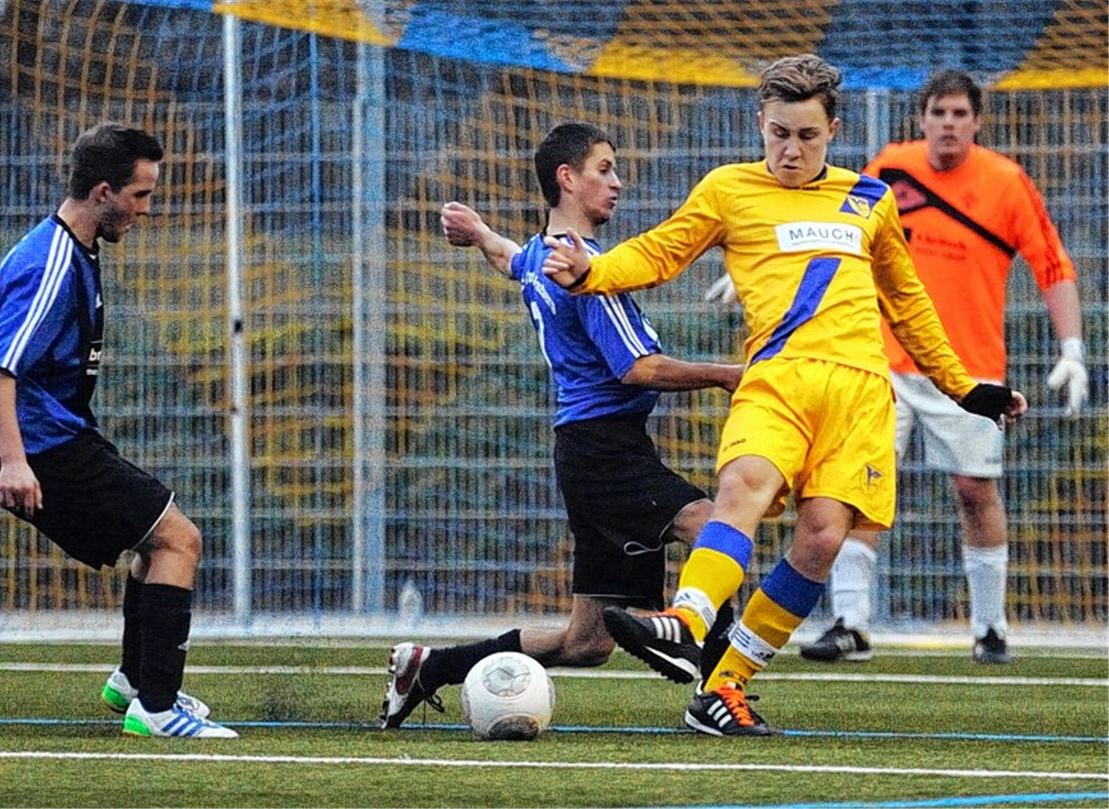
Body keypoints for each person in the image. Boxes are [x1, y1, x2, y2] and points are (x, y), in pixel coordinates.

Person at [541, 55, 1027, 737]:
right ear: (759, 127)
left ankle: (724, 688)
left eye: (806, 135)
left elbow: (908, 301)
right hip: (777, 378)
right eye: (777, 134)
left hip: (859, 393)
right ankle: (685, 620)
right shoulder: (729, 189)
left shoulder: (870, 198)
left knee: (824, 535)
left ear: (832, 128)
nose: (790, 150)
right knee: (743, 483)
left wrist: (962, 386)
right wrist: (592, 270)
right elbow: (659, 252)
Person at [380, 122, 743, 729]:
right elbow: (637, 368)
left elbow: (507, 258)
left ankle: (432, 665)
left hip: (588, 449)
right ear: (566, 179)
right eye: (604, 168)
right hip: (607, 451)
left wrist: (478, 234)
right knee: (721, 529)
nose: (618, 182)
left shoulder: (541, 254)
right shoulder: (587, 271)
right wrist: (731, 374)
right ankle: (718, 695)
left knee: (586, 644)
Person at [798, 70, 1086, 666]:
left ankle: (990, 627)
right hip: (881, 359)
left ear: (976, 122)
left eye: (959, 113)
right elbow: (837, 233)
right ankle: (851, 623)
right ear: (922, 119)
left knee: (974, 489)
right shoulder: (891, 165)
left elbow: (1052, 265)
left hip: (968, 368)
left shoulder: (1006, 181)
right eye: (938, 113)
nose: (948, 124)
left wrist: (1073, 349)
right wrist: (766, 263)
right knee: (860, 486)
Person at [0, 123, 236, 739]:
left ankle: (133, 681)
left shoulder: (75, 247)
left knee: (155, 538)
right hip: (43, 449)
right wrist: (14, 462)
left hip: (59, 437)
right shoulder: (50, 261)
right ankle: (157, 707)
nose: (146, 210)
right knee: (180, 541)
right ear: (101, 192)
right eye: (140, 196)